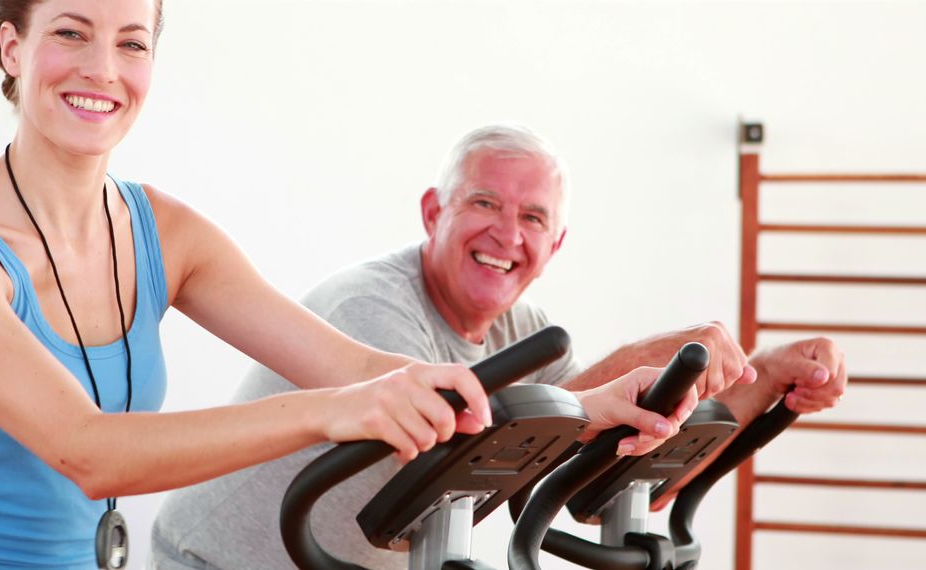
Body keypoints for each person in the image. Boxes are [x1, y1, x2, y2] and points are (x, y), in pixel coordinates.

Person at [0, 3, 697, 569]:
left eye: (132, 41)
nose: (103, 68)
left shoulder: (163, 232)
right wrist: (328, 412)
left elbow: (357, 366)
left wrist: (585, 405)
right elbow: (86, 449)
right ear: (12, 47)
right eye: (70, 32)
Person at [149, 125, 847, 569]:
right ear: (434, 211)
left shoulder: (523, 333)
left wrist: (763, 383)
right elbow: (458, 436)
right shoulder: (373, 305)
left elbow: (589, 464)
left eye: (533, 217)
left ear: (555, 244)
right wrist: (658, 350)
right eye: (485, 203)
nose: (507, 234)